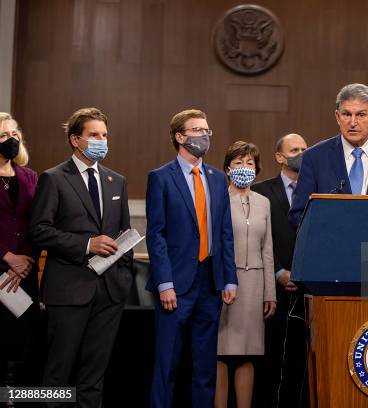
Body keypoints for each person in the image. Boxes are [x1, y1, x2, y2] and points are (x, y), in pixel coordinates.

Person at [29, 107, 133, 408]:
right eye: (94, 135)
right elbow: (40, 230)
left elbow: (124, 232)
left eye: (104, 135)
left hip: (109, 291)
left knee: (94, 377)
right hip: (69, 289)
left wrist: (122, 280)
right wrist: (87, 244)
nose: (102, 140)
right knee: (57, 374)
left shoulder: (117, 181)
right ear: (76, 140)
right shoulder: (53, 178)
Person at [146, 109, 237, 408]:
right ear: (180, 136)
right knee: (167, 365)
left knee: (204, 368)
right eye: (197, 130)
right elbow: (156, 234)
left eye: (207, 130)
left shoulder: (216, 178)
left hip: (210, 282)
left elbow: (224, 232)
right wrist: (164, 283)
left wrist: (229, 279)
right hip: (176, 284)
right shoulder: (160, 177)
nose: (205, 135)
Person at [288, 83, 368, 226]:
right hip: (332, 244)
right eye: (347, 114)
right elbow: (298, 214)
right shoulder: (315, 157)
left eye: (361, 115)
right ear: (337, 117)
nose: (353, 122)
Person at [215, 141, 276, 408]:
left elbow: (268, 250)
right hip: (225, 283)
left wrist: (270, 293)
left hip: (255, 285)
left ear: (257, 168)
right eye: (238, 163)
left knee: (248, 353)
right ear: (228, 169)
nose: (244, 168)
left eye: (249, 163)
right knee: (220, 353)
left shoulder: (264, 203)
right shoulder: (217, 199)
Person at [251, 133, 309, 407]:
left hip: (308, 289)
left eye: (304, 148)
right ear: (279, 157)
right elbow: (259, 239)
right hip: (270, 288)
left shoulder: (317, 189)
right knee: (270, 359)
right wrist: (278, 272)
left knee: (302, 362)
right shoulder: (261, 191)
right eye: (294, 149)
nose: (301, 152)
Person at [0, 113, 40, 388]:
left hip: (24, 274)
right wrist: (7, 257)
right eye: (3, 135)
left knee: (24, 344)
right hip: (0, 268)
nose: (10, 140)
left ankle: (16, 397)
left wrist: (25, 260)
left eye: (14, 135)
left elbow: (38, 223)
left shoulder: (30, 177)